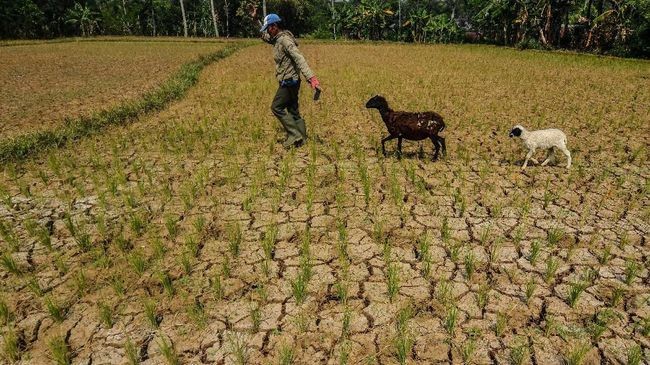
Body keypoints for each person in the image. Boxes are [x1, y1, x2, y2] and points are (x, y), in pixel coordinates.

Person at [260, 13, 320, 149]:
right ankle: (302, 139)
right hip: (291, 81)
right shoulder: (277, 38)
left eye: (268, 28)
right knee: (293, 110)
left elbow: (299, 59)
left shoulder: (285, 41)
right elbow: (264, 36)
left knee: (276, 107)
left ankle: (294, 135)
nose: (267, 31)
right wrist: (254, 19)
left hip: (289, 81)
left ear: (274, 26)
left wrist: (311, 78)